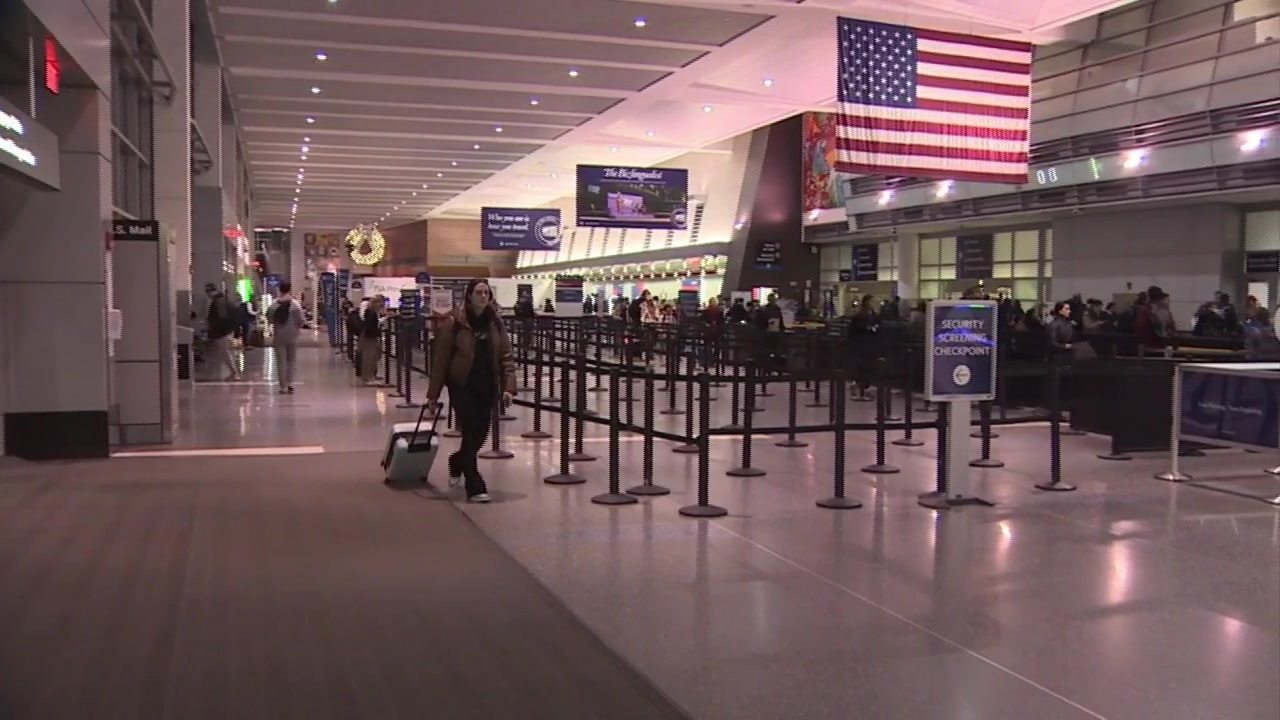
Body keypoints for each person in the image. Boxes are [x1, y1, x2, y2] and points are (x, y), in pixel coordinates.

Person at [426, 279, 516, 503]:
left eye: (486, 293)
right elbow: (441, 361)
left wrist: (509, 387)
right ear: (469, 295)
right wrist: (433, 395)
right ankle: (474, 485)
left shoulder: (495, 323)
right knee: (470, 429)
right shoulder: (454, 323)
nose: (483, 296)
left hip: (486, 385)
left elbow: (506, 356)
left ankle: (457, 461)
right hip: (462, 385)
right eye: (478, 292)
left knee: (480, 433)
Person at [267, 281, 305, 394]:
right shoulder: (295, 304)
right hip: (292, 335)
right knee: (291, 360)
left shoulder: (274, 305)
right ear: (289, 289)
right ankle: (290, 384)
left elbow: (269, 319)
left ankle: (282, 386)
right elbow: (301, 321)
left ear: (279, 289)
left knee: (280, 361)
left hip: (279, 335)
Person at [203, 282, 238, 380]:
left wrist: (213, 327)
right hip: (222, 330)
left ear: (209, 292)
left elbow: (221, 317)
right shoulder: (221, 299)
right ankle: (230, 372)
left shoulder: (218, 301)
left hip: (221, 332)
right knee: (219, 352)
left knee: (223, 352)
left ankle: (233, 372)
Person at [359, 294, 385, 384]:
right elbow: (371, 327)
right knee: (369, 358)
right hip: (370, 337)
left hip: (369, 336)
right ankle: (368, 378)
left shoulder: (370, 312)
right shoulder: (371, 313)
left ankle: (370, 377)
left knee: (372, 357)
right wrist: (377, 336)